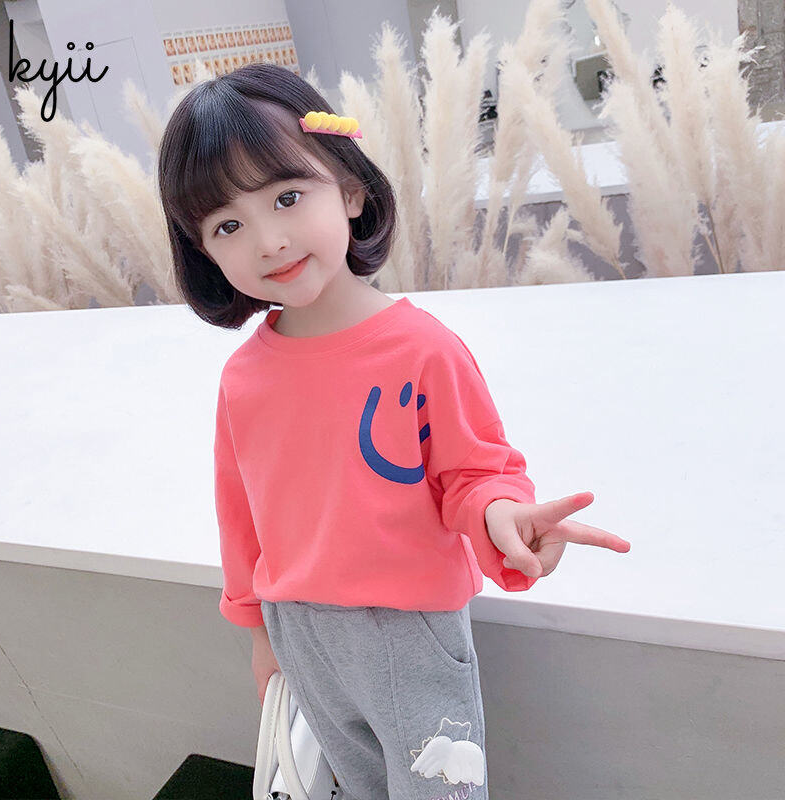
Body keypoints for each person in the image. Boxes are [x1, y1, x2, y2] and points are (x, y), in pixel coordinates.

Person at [157, 62, 631, 800]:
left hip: (410, 632)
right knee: (355, 788)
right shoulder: (243, 378)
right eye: (228, 225)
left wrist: (503, 516)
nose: (270, 240)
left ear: (349, 189)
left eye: (287, 197)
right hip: (300, 634)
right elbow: (240, 518)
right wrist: (260, 636)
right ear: (205, 253)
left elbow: (475, 472)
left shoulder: (423, 349)